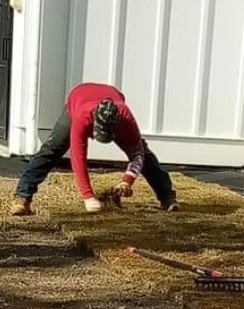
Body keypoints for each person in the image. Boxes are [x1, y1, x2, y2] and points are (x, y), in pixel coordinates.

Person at [10, 83, 177, 216]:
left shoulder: (126, 118)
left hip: (110, 97)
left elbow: (137, 154)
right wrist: (88, 196)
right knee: (52, 150)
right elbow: (78, 157)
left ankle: (167, 198)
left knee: (146, 154)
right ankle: (22, 198)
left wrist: (127, 180)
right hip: (78, 98)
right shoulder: (82, 117)